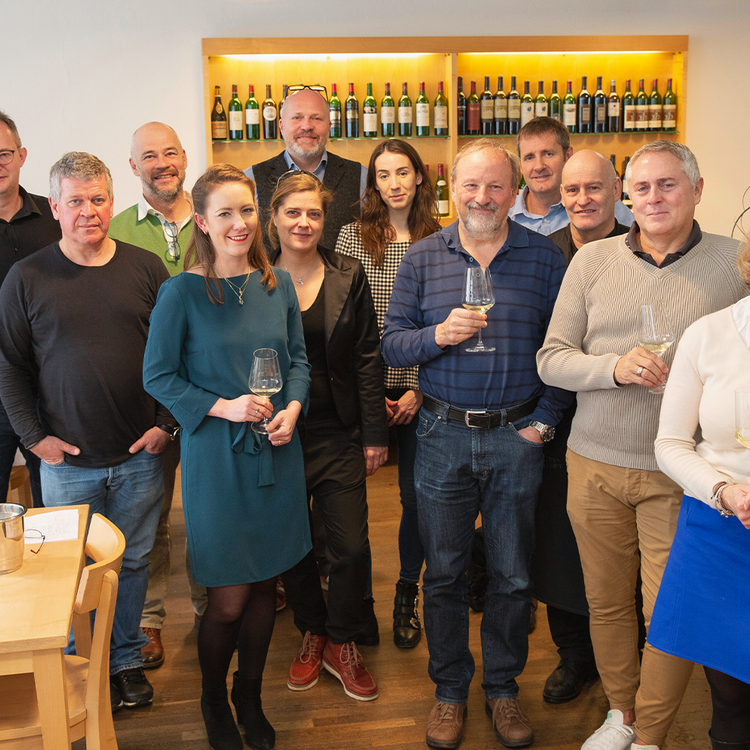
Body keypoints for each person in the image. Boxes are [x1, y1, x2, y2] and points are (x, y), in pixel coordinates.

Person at [537, 140, 748, 750]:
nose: (652, 198)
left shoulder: (733, 263)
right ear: (626, 195)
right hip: (594, 461)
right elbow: (551, 359)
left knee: (669, 614)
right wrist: (612, 367)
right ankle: (620, 716)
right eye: (641, 187)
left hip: (681, 473)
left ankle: (649, 735)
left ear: (697, 190)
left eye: (667, 184)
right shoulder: (591, 260)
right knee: (606, 603)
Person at [382, 139, 570, 749]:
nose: (482, 197)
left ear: (513, 192)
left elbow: (564, 350)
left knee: (513, 575)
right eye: (471, 185)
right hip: (441, 436)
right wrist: (438, 335)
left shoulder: (545, 258)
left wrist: (544, 422)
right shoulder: (421, 258)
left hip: (518, 437)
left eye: (494, 186)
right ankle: (449, 692)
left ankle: (503, 689)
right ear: (452, 191)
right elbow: (392, 343)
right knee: (443, 574)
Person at [143, 164, 312, 750]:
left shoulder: (277, 283)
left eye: (246, 210)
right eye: (225, 213)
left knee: (266, 586)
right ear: (201, 221)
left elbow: (298, 362)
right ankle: (213, 695)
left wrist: (293, 408)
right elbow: (158, 376)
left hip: (277, 452)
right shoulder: (180, 293)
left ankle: (250, 694)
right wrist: (225, 407)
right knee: (229, 597)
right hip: (217, 457)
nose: (239, 223)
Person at [0, 151, 176, 712]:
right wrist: (34, 440)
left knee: (133, 563)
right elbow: (9, 367)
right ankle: (79, 667)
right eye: (75, 201)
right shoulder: (27, 278)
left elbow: (179, 353)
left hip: (140, 456)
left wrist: (166, 426)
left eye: (98, 199)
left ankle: (123, 660)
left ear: (112, 201)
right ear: (54, 206)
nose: (88, 211)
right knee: (69, 570)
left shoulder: (146, 269)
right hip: (65, 464)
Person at [267, 171, 388, 702]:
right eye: (293, 212)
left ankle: (342, 639)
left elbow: (366, 356)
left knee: (351, 547)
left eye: (313, 213)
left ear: (325, 219)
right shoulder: (253, 277)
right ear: (273, 218)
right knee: (293, 545)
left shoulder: (348, 273)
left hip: (338, 430)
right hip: (276, 433)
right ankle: (313, 631)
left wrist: (374, 434)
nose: (304, 222)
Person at [335, 139, 441, 650]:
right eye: (383, 175)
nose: (394, 183)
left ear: (419, 176)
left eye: (403, 172)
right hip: (364, 384)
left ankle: (406, 592)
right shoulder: (352, 237)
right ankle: (357, 605)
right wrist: (371, 391)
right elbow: (349, 324)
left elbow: (441, 324)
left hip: (424, 387)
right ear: (372, 183)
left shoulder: (441, 237)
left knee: (415, 499)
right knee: (346, 503)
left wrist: (419, 385)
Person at [534, 150, 630, 704]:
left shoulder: (638, 249)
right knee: (559, 546)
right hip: (555, 423)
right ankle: (573, 656)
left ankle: (626, 661)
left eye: (594, 188)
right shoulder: (544, 254)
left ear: (616, 189)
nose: (583, 199)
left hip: (620, 423)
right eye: (572, 190)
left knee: (619, 551)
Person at [109, 121, 204, 670]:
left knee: (210, 510)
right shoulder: (116, 229)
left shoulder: (215, 216)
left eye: (170, 152)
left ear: (185, 157)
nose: (162, 163)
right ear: (133, 166)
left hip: (214, 390)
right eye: (149, 155)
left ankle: (213, 607)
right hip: (152, 398)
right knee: (152, 516)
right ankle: (148, 620)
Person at [650, 236, 750, 750]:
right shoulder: (709, 334)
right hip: (720, 529)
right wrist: (724, 490)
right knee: (731, 695)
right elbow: (670, 443)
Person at [0, 110, 61, 507]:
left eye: (3, 153)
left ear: (21, 155)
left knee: (55, 508)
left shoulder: (56, 216)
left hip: (49, 390)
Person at [245, 85, 366, 253]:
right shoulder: (250, 180)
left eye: (316, 118)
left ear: (329, 126)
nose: (307, 126)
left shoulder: (361, 176)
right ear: (281, 126)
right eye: (297, 117)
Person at [508, 116, 633, 236]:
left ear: (568, 156)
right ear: (521, 165)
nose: (539, 166)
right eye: (529, 158)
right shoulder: (505, 212)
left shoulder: (606, 207)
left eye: (548, 154)